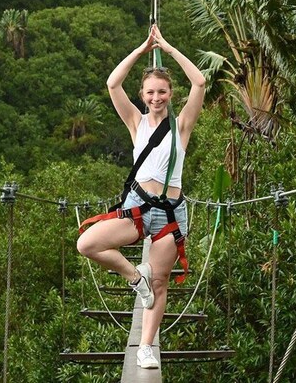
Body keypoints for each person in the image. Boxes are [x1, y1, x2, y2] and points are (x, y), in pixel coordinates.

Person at [76, 24, 206, 369]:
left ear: (170, 93)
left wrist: (169, 46)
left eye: (162, 91)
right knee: (87, 244)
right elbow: (112, 83)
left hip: (171, 214)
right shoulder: (137, 122)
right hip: (136, 207)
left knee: (161, 281)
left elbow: (200, 83)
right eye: (150, 92)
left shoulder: (182, 126)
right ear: (143, 94)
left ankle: (146, 346)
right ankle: (136, 276)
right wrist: (141, 49)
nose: (156, 98)